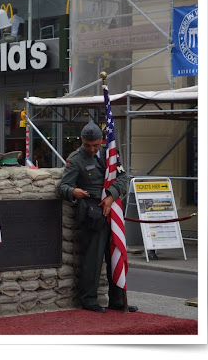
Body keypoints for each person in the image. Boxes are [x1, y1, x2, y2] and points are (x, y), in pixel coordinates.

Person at [57, 121, 138, 313]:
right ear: (82, 141)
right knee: (93, 258)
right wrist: (73, 191)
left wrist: (111, 196)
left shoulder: (111, 153)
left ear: (101, 141)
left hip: (112, 209)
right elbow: (63, 186)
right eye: (87, 145)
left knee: (115, 255)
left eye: (95, 145)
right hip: (92, 212)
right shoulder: (76, 159)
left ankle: (117, 299)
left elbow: (123, 178)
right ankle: (89, 299)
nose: (92, 149)